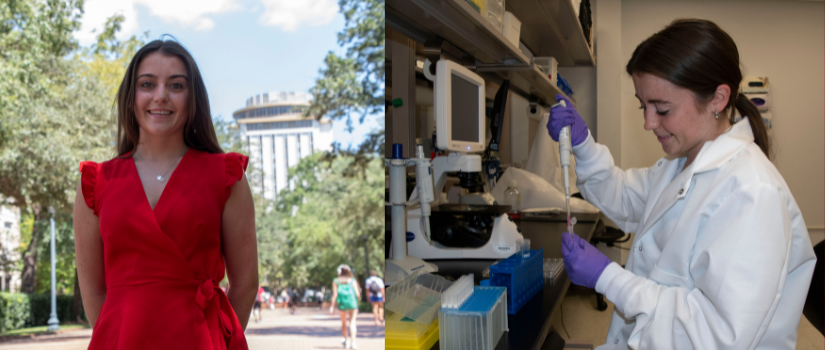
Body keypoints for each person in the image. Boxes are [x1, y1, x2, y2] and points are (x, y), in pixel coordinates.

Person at [549, 19, 816, 349]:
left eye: (662, 109)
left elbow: (714, 336)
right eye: (643, 106)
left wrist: (608, 277)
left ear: (718, 99)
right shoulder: (682, 161)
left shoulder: (752, 193)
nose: (648, 122)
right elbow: (625, 197)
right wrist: (583, 144)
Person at [73, 38, 259, 350]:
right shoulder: (95, 182)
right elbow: (93, 291)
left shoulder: (227, 177)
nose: (161, 95)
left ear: (192, 97)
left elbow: (246, 284)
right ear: (131, 96)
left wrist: (217, 339)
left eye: (176, 85)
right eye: (147, 84)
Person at [330, 264, 361, 349]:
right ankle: (353, 343)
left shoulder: (336, 281)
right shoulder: (352, 280)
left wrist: (332, 307)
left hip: (342, 305)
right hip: (352, 304)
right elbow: (358, 294)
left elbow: (335, 295)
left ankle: (346, 341)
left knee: (344, 323)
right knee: (352, 322)